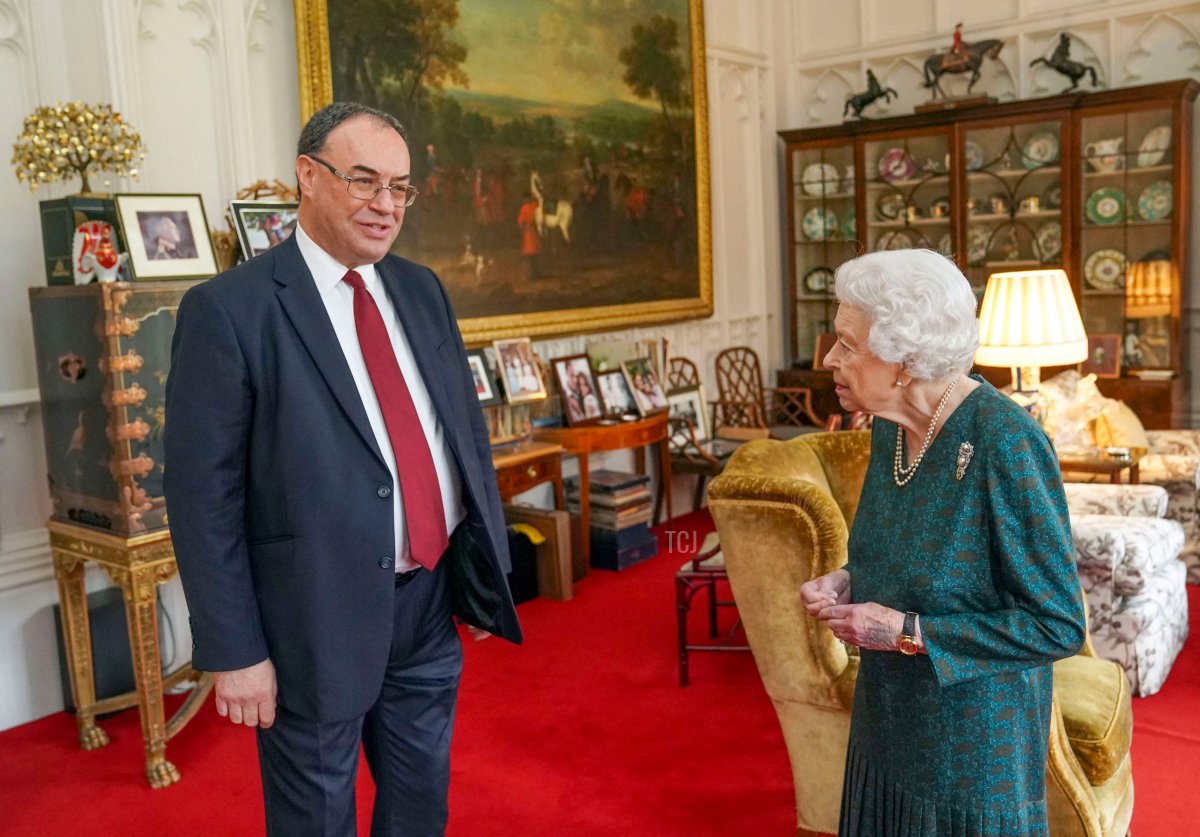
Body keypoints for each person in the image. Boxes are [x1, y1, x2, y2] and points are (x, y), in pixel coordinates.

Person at [163, 101, 522, 836]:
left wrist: (483, 570)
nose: (386, 205)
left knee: (421, 804)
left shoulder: (422, 289)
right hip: (309, 616)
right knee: (315, 818)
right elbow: (204, 496)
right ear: (308, 175)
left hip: (425, 601)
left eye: (400, 187)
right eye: (364, 181)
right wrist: (235, 649)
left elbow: (460, 435)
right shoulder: (228, 310)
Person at [800, 249, 1085, 836]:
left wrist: (907, 633)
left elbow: (1057, 624)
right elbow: (917, 548)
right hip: (887, 721)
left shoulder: (1006, 442)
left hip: (971, 753)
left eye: (848, 344)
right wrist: (853, 576)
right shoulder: (890, 426)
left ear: (906, 357)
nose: (829, 357)